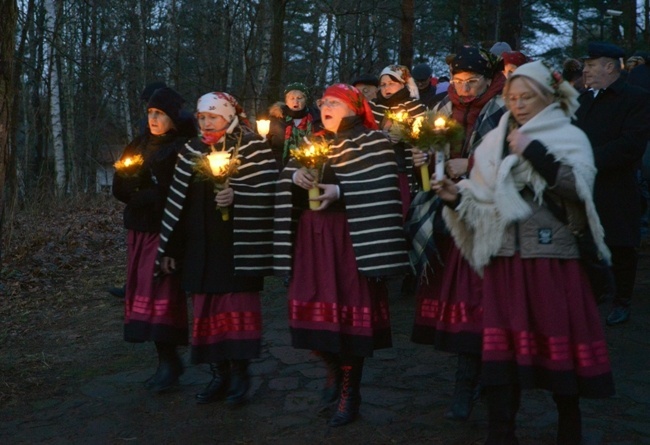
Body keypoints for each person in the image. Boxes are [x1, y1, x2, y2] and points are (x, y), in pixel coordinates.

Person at [434, 60, 615, 445]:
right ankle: (502, 434)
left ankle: (570, 430)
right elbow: (480, 199)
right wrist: (454, 199)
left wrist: (536, 153)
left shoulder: (567, 134)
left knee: (559, 347)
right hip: (504, 260)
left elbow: (580, 188)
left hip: (552, 260)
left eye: (527, 97)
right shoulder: (493, 140)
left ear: (547, 97)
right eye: (512, 97)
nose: (518, 104)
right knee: (502, 357)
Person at [274, 83, 411, 427]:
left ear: (353, 108)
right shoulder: (313, 140)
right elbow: (286, 173)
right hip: (312, 237)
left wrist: (341, 190)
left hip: (351, 240)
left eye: (334, 102)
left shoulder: (373, 141)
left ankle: (351, 390)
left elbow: (382, 187)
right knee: (309, 311)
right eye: (323, 102)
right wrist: (297, 176)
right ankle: (333, 369)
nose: (326, 107)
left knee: (349, 320)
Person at [157, 92, 278, 404]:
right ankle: (219, 374)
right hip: (200, 246)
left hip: (237, 247)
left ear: (228, 116)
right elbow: (177, 202)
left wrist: (238, 196)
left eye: (213, 116)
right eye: (202, 117)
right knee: (207, 311)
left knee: (236, 308)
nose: (207, 122)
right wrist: (170, 247)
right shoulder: (191, 149)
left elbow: (269, 189)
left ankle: (241, 373)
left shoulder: (252, 145)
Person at [410, 46, 507, 421]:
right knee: (462, 301)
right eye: (457, 81)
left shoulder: (502, 109)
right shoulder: (441, 109)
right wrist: (421, 157)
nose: (464, 89)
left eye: (472, 82)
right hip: (447, 212)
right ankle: (469, 378)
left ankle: (475, 381)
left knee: (482, 301)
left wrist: (471, 163)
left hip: (485, 214)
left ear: (487, 79)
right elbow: (426, 153)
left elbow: (514, 158)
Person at [112, 87, 196, 393]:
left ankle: (170, 362)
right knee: (143, 297)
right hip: (139, 231)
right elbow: (119, 187)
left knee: (162, 297)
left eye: (159, 114)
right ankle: (163, 360)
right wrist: (129, 187)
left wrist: (149, 194)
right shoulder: (139, 144)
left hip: (164, 233)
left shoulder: (180, 149)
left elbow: (180, 195)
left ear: (173, 119)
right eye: (150, 113)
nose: (153, 119)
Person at [575, 42, 650, 326]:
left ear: (609, 66)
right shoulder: (582, 101)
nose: (586, 70)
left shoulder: (636, 98)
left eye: (591, 65)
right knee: (587, 243)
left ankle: (622, 300)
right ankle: (596, 294)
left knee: (620, 245)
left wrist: (588, 159)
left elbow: (631, 144)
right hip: (584, 186)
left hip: (617, 186)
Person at [267, 82, 322, 168]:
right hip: (280, 167)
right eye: (291, 98)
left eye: (299, 98)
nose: (295, 102)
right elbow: (270, 146)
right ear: (286, 101)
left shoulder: (317, 118)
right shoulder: (276, 120)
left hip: (310, 166)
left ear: (305, 99)